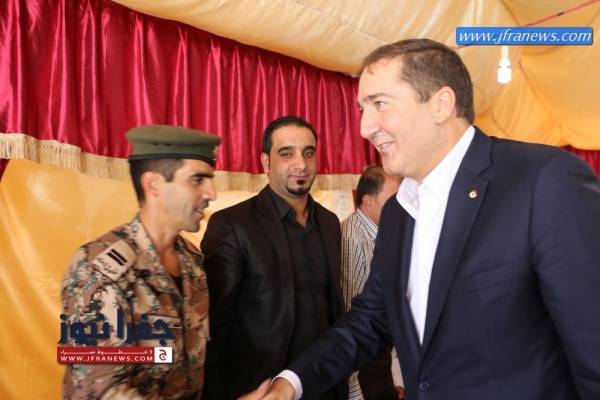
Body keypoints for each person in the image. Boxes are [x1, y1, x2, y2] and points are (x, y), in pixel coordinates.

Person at [246, 38, 600, 400]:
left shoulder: (543, 180)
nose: (365, 128)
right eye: (363, 109)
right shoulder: (398, 213)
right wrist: (289, 385)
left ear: (440, 104)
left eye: (380, 104)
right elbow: (372, 319)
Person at [60, 125, 220, 399]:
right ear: (153, 184)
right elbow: (100, 391)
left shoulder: (191, 261)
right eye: (197, 180)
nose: (212, 193)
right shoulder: (98, 269)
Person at [201, 115, 347, 400]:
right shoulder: (233, 225)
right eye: (286, 153)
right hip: (262, 390)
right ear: (266, 162)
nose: (301, 164)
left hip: (324, 385)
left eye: (308, 153)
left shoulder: (330, 222)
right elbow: (215, 327)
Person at [340, 165, 402, 400]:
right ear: (368, 201)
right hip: (365, 358)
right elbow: (351, 315)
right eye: (393, 198)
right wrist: (355, 388)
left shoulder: (382, 233)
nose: (400, 204)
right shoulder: (352, 236)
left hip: (380, 351)